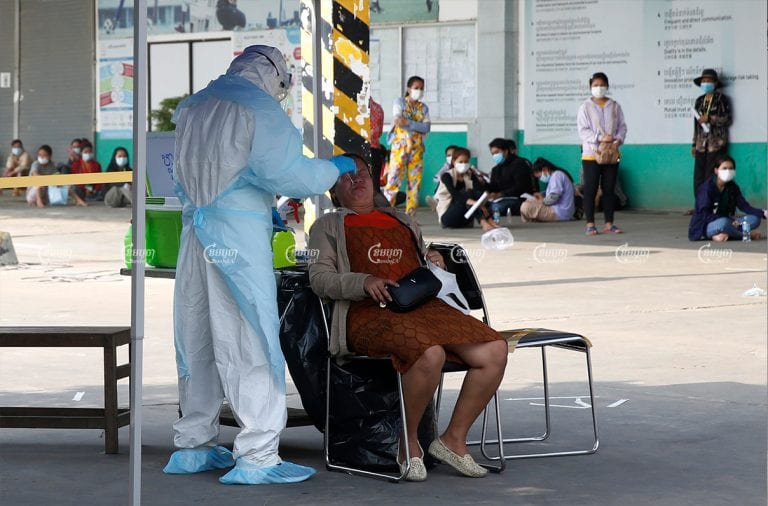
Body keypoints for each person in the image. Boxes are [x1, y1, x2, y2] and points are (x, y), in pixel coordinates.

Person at [165, 45, 350, 485]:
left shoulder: (195, 106)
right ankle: (258, 455)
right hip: (237, 240)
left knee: (198, 338)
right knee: (249, 337)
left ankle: (194, 445)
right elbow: (289, 175)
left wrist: (241, 197)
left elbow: (191, 173)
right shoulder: (259, 108)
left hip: (196, 233)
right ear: (274, 77)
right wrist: (332, 168)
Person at [308, 153, 507, 482]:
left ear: (373, 181)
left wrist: (431, 259)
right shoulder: (327, 226)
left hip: (422, 308)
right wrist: (364, 282)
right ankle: (409, 442)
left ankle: (452, 440)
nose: (356, 181)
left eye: (361, 174)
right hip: (368, 314)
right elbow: (319, 278)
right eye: (345, 177)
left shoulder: (401, 220)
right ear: (333, 190)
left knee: (494, 349)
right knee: (430, 353)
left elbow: (418, 264)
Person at [577, 71, 627, 235]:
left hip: (611, 154)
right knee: (590, 189)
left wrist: (617, 139)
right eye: (595, 85)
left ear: (607, 86)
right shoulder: (585, 107)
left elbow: (622, 127)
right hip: (591, 154)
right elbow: (583, 131)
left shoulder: (614, 106)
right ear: (590, 87)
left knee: (609, 188)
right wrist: (600, 138)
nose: (599, 88)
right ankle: (590, 224)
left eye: (601, 85)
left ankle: (609, 223)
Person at [383, 75, 431, 216]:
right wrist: (417, 125)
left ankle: (410, 215)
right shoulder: (400, 102)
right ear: (409, 89)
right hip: (400, 148)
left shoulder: (424, 108)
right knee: (393, 180)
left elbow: (426, 127)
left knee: (415, 183)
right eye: (416, 88)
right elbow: (398, 120)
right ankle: (387, 214)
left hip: (417, 149)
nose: (419, 91)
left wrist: (409, 123)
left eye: (422, 88)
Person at [688, 155, 765, 242]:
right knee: (723, 223)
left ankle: (723, 235)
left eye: (731, 168)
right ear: (716, 170)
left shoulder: (733, 187)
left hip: (729, 221)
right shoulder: (706, 188)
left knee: (755, 219)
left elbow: (744, 206)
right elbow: (704, 214)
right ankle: (745, 235)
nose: (728, 171)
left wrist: (763, 213)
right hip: (706, 225)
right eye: (724, 168)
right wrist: (730, 221)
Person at [690, 68, 732, 213]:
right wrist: (694, 144)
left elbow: (727, 119)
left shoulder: (721, 99)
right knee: (698, 178)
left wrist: (710, 119)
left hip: (716, 144)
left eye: (708, 81)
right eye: (703, 81)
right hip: (701, 145)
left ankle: (711, 206)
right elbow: (695, 125)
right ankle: (699, 206)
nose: (705, 83)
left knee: (711, 177)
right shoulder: (699, 101)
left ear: (715, 83)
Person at [435, 148, 497, 231]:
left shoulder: (470, 175)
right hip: (449, 217)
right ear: (453, 162)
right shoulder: (447, 176)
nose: (464, 164)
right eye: (460, 162)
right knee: (467, 194)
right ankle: (483, 222)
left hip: (466, 218)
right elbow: (455, 194)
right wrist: (475, 203)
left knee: (478, 194)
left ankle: (489, 220)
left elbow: (479, 190)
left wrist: (481, 202)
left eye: (466, 162)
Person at [485, 138, 535, 219]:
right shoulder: (496, 169)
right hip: (500, 199)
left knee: (497, 207)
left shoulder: (519, 164)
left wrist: (501, 194)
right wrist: (484, 185)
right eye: (493, 154)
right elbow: (493, 187)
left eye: (497, 152)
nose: (495, 156)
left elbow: (521, 187)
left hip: (520, 199)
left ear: (505, 151)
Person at [520, 158, 576, 223]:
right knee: (528, 202)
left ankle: (531, 220)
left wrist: (540, 201)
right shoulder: (555, 176)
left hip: (559, 212)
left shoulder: (557, 175)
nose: (540, 179)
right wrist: (541, 196)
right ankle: (532, 220)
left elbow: (554, 197)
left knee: (525, 206)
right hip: (560, 211)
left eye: (539, 177)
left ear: (545, 169)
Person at [425, 144, 459, 210]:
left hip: (456, 189)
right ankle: (436, 200)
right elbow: (437, 177)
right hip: (446, 189)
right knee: (445, 177)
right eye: (448, 155)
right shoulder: (447, 165)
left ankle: (437, 202)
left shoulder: (461, 165)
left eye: (453, 155)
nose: (451, 157)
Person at [70, 141, 102, 205]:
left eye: (90, 152)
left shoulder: (96, 164)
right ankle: (79, 200)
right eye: (85, 152)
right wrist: (85, 189)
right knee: (72, 188)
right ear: (81, 153)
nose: (88, 154)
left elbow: (100, 180)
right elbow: (74, 179)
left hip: (93, 190)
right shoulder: (76, 164)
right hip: (81, 190)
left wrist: (94, 190)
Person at [369, 96, 385, 186]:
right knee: (375, 186)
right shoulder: (378, 108)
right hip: (374, 151)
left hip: (356, 152)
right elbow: (378, 133)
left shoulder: (352, 106)